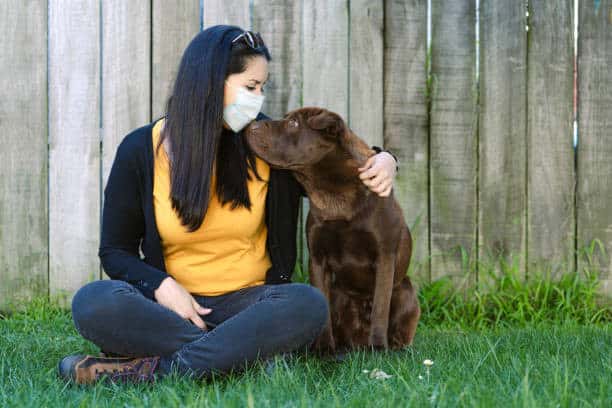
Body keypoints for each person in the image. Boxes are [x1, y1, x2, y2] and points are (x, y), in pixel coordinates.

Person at [57, 25, 399, 385]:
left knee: (308, 304)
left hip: (253, 307)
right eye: (250, 87)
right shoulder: (141, 149)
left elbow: (337, 160)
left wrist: (384, 158)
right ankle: (240, 355)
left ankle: (156, 368)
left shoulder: (266, 142)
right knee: (94, 301)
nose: (259, 99)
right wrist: (162, 286)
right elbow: (115, 251)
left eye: (262, 88)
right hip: (173, 309)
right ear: (208, 82)